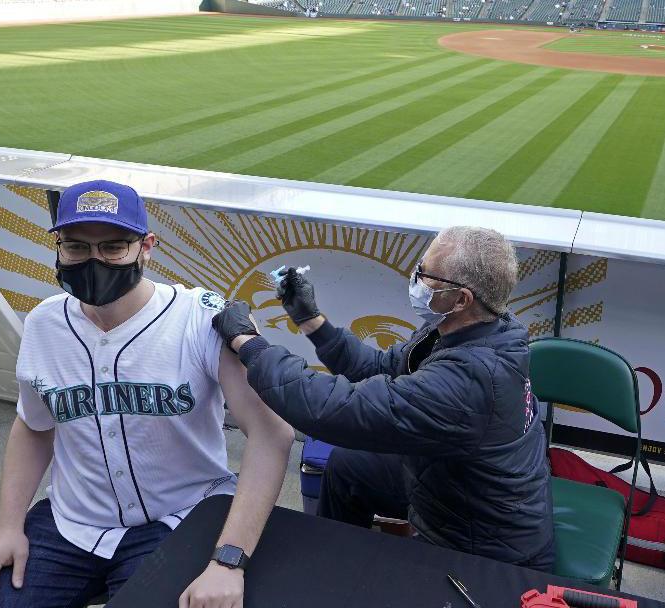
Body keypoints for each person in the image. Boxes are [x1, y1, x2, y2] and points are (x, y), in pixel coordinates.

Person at [0, 181, 295, 608]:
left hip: (178, 521)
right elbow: (33, 426)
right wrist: (7, 529)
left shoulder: (199, 319)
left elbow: (272, 435)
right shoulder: (44, 323)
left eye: (113, 246)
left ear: (146, 247)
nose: (93, 260)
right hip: (70, 526)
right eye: (76, 246)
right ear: (58, 245)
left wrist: (229, 560)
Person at [211, 226, 555, 571]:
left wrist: (249, 343)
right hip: (452, 483)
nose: (417, 279)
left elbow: (334, 409)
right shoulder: (471, 328)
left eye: (426, 275)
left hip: (480, 543)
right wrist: (310, 320)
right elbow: (377, 367)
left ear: (462, 299)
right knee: (348, 467)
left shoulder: (467, 382)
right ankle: (336, 565)